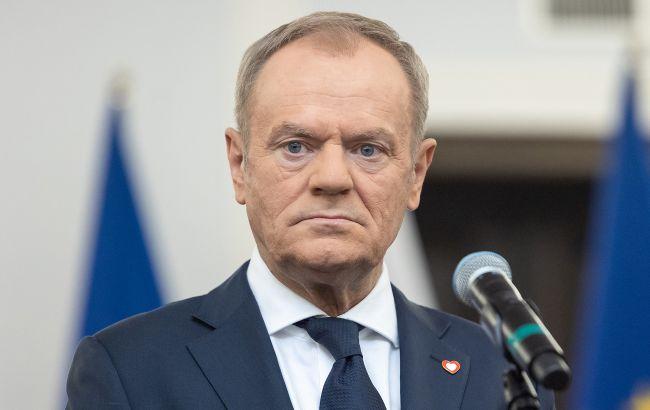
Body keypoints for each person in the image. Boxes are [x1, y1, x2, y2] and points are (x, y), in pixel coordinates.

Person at [66, 11, 554, 409]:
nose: (332, 178)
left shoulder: (502, 371)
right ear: (239, 165)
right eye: (296, 146)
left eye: (368, 149)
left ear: (416, 174)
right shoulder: (130, 370)